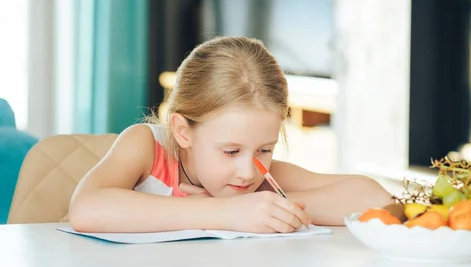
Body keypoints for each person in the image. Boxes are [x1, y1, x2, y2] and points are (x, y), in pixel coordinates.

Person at [69, 36, 397, 233]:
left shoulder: (257, 181)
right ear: (183, 131)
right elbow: (86, 209)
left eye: (265, 149)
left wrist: (263, 207)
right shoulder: (146, 147)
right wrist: (226, 212)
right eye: (230, 152)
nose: (247, 170)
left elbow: (377, 202)